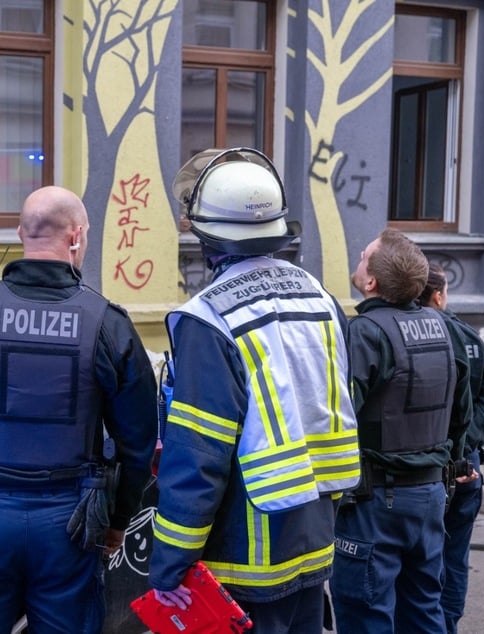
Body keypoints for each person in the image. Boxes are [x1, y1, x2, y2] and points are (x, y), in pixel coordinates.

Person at [0, 185, 157, 633]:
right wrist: (118, 521)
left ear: (21, 233)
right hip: (71, 527)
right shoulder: (108, 325)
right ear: (77, 238)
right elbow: (138, 441)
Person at [149, 147, 361, 633]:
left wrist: (170, 562)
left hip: (244, 555)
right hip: (313, 540)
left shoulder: (208, 320)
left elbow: (198, 453)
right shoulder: (319, 296)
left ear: (204, 235)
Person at [331, 229, 471, 634]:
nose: (359, 258)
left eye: (364, 256)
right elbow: (461, 412)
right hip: (429, 498)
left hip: (376, 501)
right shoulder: (445, 327)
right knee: (424, 611)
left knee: (366, 614)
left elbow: (342, 418)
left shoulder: (366, 332)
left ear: (372, 282)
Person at [419, 262, 484, 633]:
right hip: (462, 466)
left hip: (425, 467)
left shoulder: (405, 333)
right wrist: (467, 442)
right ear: (438, 295)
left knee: (423, 558)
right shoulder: (465, 335)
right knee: (453, 556)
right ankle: (446, 624)